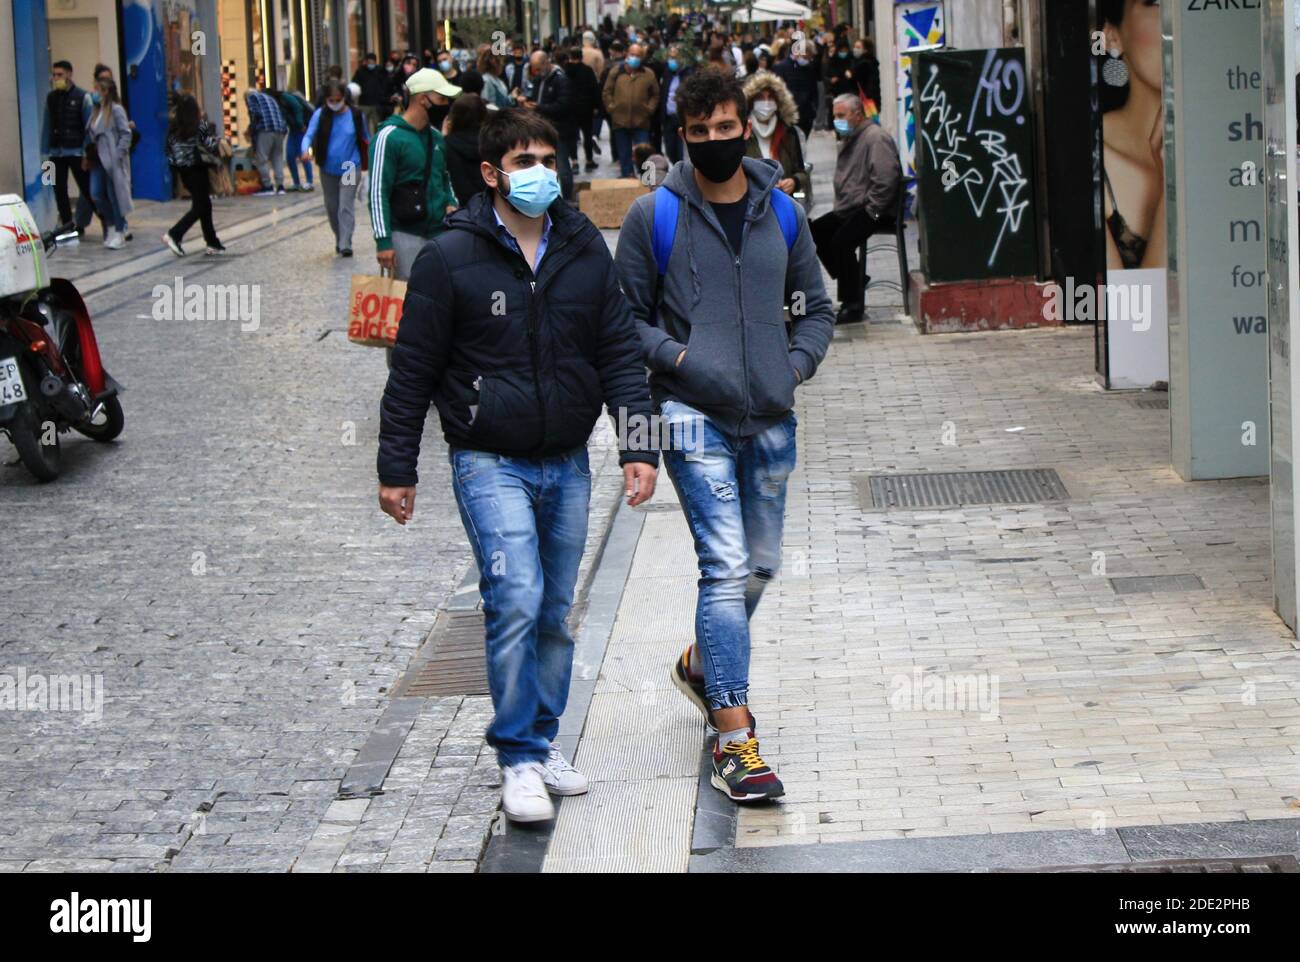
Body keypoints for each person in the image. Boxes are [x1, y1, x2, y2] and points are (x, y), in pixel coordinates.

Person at [376, 109, 658, 823]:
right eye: (524, 160)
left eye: (547, 158)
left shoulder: (582, 245)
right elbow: (412, 369)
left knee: (557, 615)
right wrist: (396, 467)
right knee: (516, 599)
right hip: (487, 459)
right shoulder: (450, 257)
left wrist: (639, 444)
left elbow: (620, 350)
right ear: (491, 172)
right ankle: (519, 761)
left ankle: (541, 737)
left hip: (566, 461)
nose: (540, 173)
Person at [613, 70, 834, 805]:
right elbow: (624, 326)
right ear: (685, 135)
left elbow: (818, 309)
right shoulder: (655, 216)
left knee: (761, 567)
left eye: (726, 127)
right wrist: (678, 368)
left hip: (770, 414)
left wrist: (790, 366)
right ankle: (735, 742)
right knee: (725, 563)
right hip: (688, 414)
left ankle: (701, 666)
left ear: (749, 127)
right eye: (701, 131)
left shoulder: (784, 214)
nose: (715, 141)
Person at [810, 94, 902, 325]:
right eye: (835, 115)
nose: (837, 120)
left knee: (841, 242)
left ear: (858, 114)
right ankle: (855, 278)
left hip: (874, 209)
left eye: (842, 115)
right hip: (850, 208)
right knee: (814, 232)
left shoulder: (875, 138)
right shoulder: (852, 137)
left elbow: (886, 178)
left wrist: (873, 210)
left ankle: (853, 304)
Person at [368, 67, 460, 282]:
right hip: (405, 234)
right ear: (422, 99)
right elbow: (377, 191)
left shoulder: (436, 138)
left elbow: (444, 178)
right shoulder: (388, 137)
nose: (446, 105)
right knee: (409, 299)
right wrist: (384, 241)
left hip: (439, 233)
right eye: (441, 98)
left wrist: (451, 202)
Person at [1099, 0, 1166, 269]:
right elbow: (1133, 309)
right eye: (1158, 3)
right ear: (1113, 37)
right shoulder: (1086, 159)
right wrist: (1171, 190)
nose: (1175, 25)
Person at [300, 80, 369, 256]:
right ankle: (339, 237)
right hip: (327, 167)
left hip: (350, 165)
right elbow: (309, 135)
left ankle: (346, 242)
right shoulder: (321, 114)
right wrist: (305, 151)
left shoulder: (356, 115)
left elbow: (366, 138)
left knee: (345, 205)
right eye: (331, 100)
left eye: (338, 99)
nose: (335, 103)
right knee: (332, 206)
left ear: (344, 98)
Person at [163, 94, 225, 256]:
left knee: (204, 205)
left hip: (184, 173)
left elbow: (169, 154)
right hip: (198, 169)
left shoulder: (174, 129)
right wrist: (218, 140)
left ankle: (212, 242)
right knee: (200, 206)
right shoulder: (199, 125)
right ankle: (175, 234)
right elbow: (209, 145)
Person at [43, 61, 95, 237]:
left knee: (88, 189)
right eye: (54, 75)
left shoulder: (82, 96)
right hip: (55, 153)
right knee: (58, 190)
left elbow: (89, 127)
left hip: (76, 152)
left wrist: (86, 151)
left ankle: (109, 223)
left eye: (60, 74)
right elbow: (47, 126)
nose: (56, 78)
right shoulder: (51, 98)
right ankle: (67, 227)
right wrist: (44, 154)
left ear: (69, 74)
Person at [743, 70, 810, 201]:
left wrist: (794, 181)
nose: (766, 103)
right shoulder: (742, 133)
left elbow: (801, 172)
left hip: (785, 203)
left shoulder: (788, 132)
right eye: (760, 98)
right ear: (751, 101)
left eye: (771, 97)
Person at [518, 50, 574, 200]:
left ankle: (567, 198)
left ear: (545, 63)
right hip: (540, 130)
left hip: (558, 130)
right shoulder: (539, 79)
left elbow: (563, 105)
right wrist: (526, 100)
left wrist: (539, 107)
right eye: (533, 68)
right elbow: (534, 95)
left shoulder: (560, 79)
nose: (535, 72)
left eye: (537, 68)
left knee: (562, 167)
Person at [85, 78, 133, 250]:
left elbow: (126, 133)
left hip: (112, 159)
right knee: (96, 194)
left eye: (97, 90)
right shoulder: (95, 111)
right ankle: (111, 226)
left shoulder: (116, 110)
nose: (94, 93)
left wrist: (118, 155)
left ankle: (119, 232)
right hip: (98, 159)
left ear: (105, 92)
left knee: (115, 197)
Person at [603, 43, 659, 177]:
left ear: (642, 58)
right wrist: (612, 108)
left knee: (644, 154)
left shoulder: (648, 74)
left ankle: (647, 181)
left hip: (641, 121)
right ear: (626, 54)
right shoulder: (616, 71)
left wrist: (649, 109)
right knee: (624, 155)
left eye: (638, 55)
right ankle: (628, 179)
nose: (634, 58)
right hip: (620, 121)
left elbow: (655, 95)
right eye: (632, 54)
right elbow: (607, 92)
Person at [443, 93, 487, 206]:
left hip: (459, 208)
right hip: (488, 205)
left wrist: (443, 137)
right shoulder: (492, 143)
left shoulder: (446, 145)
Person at [562, 46, 600, 172]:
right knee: (587, 135)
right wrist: (596, 106)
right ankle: (589, 160)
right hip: (586, 108)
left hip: (569, 109)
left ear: (570, 57)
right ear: (581, 56)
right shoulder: (588, 71)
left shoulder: (565, 71)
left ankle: (574, 161)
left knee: (571, 136)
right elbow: (595, 89)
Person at [771, 37, 819, 138]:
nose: (809, 60)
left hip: (806, 116)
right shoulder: (781, 67)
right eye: (807, 57)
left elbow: (814, 90)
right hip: (789, 116)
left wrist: (814, 108)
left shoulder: (809, 68)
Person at [245, 88, 288, 195]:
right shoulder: (270, 98)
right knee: (277, 158)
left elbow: (255, 115)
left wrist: (251, 130)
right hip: (279, 130)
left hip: (265, 129)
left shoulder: (252, 97)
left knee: (262, 158)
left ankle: (267, 186)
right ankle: (280, 186)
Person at [658, 45, 692, 164]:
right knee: (669, 149)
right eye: (670, 57)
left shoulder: (688, 74)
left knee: (680, 150)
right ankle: (676, 165)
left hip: (681, 118)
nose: (672, 60)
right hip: (668, 117)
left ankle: (680, 171)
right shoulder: (667, 73)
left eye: (675, 57)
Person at [278, 88, 315, 192]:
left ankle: (309, 181)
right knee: (290, 156)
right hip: (294, 130)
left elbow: (297, 109)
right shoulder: (281, 101)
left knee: (303, 155)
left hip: (301, 129)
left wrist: (300, 124)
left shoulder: (286, 98)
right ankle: (296, 182)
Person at [353, 52, 390, 136]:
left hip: (376, 103)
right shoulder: (360, 71)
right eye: (369, 62)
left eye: (372, 62)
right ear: (366, 62)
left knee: (377, 124)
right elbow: (355, 84)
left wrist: (382, 95)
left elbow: (385, 83)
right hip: (364, 103)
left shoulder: (380, 71)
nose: (371, 64)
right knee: (363, 125)